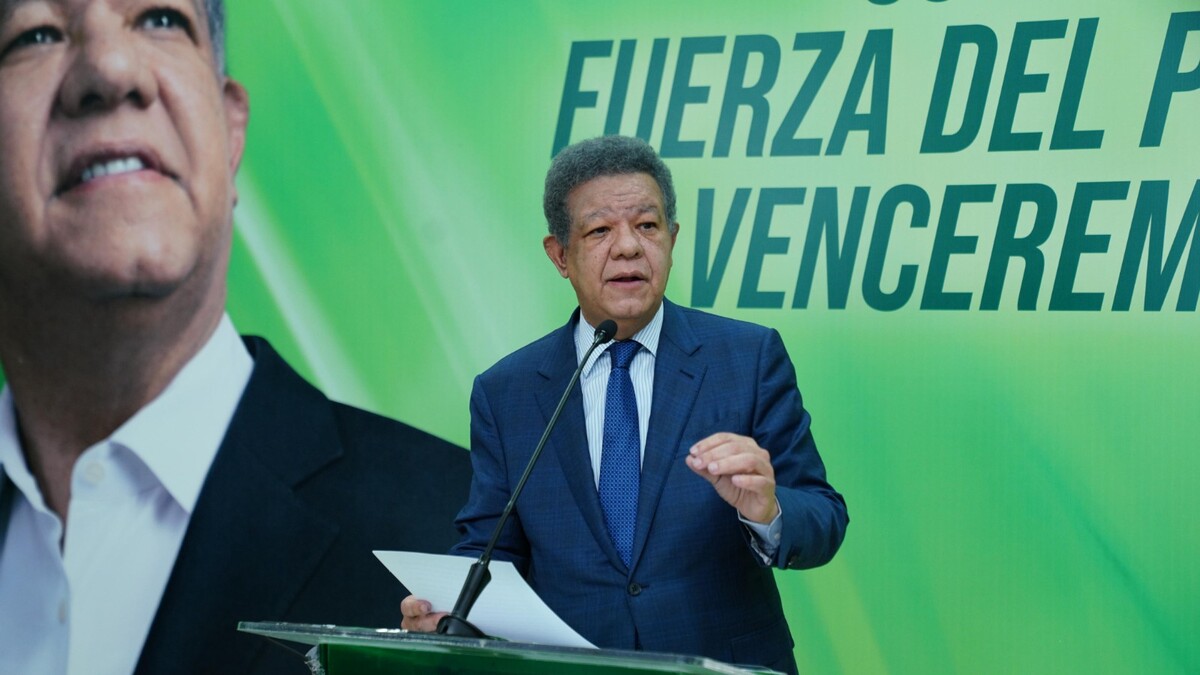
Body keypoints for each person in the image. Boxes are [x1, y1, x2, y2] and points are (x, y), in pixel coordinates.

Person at [0, 1, 470, 674]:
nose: (110, 68)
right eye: (37, 33)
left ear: (231, 130)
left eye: (161, 19)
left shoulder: (462, 542)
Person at [401, 135, 848, 674]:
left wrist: (767, 511)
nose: (629, 247)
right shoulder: (507, 392)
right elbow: (492, 549)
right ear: (560, 255)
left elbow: (823, 516)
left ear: (672, 239)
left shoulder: (747, 358)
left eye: (647, 225)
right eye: (600, 231)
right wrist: (446, 611)